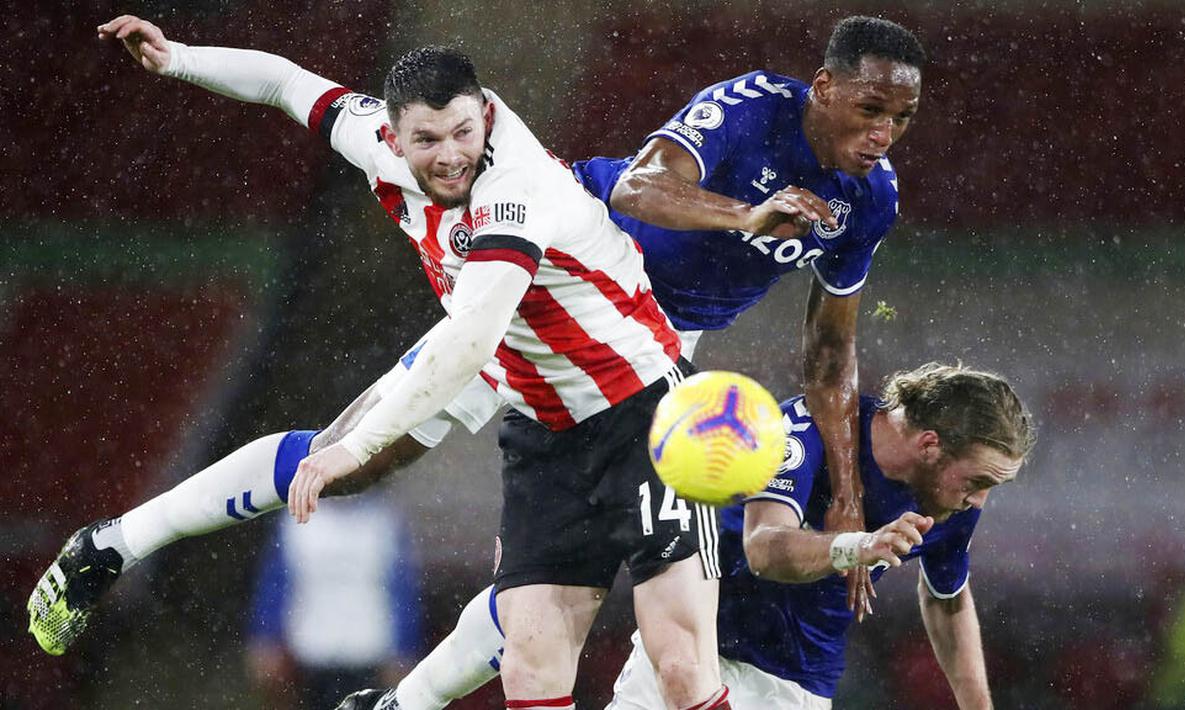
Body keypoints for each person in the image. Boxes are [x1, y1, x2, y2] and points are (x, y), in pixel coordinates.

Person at [30, 13, 924, 703]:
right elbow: (290, 84)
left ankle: (401, 701)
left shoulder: (518, 191)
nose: (451, 156)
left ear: (486, 116)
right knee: (353, 466)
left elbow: (827, 348)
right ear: (395, 136)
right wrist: (178, 57)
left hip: (629, 358)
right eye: (427, 141)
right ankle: (111, 543)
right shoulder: (749, 108)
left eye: (901, 117)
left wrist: (846, 489)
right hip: (539, 327)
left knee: (583, 612)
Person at [604, 362, 1035, 709]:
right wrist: (859, 545)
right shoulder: (811, 428)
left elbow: (947, 598)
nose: (979, 500)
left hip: (791, 686)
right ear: (929, 445)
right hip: (689, 647)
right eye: (979, 481)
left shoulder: (952, 502)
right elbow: (763, 548)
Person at [246, 497, 423, 710]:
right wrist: (267, 639)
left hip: (369, 653)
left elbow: (402, 590)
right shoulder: (295, 520)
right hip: (310, 655)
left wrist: (404, 649)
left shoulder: (383, 519)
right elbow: (276, 585)